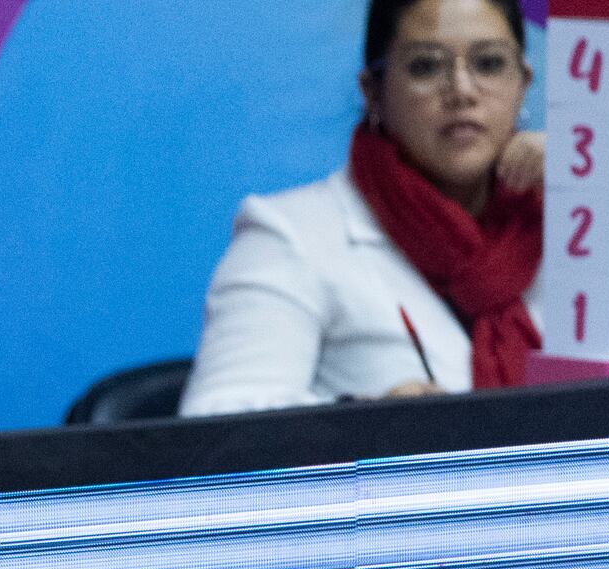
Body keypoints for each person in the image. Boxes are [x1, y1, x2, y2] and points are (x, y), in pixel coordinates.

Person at [180, 0, 545, 416]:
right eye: (426, 66)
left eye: (489, 63)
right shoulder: (289, 236)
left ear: (523, 83)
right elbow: (215, 425)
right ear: (374, 91)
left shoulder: (582, 226)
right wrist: (365, 422)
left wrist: (592, 188)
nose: (462, 90)